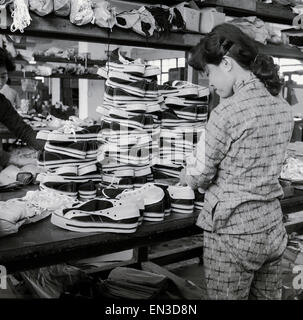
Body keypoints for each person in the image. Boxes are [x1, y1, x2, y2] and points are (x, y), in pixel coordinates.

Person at [179, 23, 294, 300]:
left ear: (227, 63)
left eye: (209, 73)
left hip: (234, 235)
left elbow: (201, 175)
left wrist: (187, 173)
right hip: (271, 229)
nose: (211, 83)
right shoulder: (282, 107)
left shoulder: (227, 112)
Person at [0, 47, 45, 172]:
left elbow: (23, 130)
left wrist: (51, 148)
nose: (0, 82)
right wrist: (9, 158)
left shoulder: (2, 103)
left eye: (3, 76)